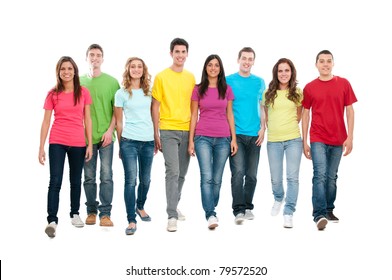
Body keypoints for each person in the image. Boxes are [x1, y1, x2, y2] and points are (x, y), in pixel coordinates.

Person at [302, 50, 357, 230]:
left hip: (338, 138)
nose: (325, 64)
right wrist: (304, 141)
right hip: (318, 137)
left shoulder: (343, 83)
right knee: (320, 175)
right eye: (321, 61)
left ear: (333, 63)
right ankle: (318, 215)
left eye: (328, 61)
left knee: (332, 177)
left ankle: (328, 209)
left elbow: (350, 111)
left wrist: (350, 137)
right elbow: (305, 113)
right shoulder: (310, 87)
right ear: (316, 64)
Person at [39, 56, 93, 238]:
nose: (66, 72)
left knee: (76, 180)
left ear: (75, 71)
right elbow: (46, 121)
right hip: (57, 141)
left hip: (78, 142)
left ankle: (75, 213)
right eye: (63, 69)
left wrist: (90, 144)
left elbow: (88, 119)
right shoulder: (52, 93)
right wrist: (41, 147)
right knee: (55, 181)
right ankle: (52, 220)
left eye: (70, 68)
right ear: (58, 72)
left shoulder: (83, 92)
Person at [151, 38, 196, 232]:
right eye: (176, 52)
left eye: (183, 52)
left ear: (187, 54)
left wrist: (193, 137)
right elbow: (155, 106)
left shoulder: (191, 78)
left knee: (182, 174)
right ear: (171, 53)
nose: (180, 55)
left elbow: (195, 109)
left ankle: (174, 205)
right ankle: (171, 215)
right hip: (168, 129)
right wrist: (156, 133)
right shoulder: (161, 77)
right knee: (173, 172)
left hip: (187, 130)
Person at [188, 54, 237, 230]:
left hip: (224, 138)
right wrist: (190, 141)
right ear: (205, 68)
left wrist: (234, 139)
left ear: (220, 68)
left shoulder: (227, 89)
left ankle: (211, 205)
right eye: (210, 65)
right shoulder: (198, 89)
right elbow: (194, 115)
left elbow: (230, 115)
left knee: (217, 179)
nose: (213, 68)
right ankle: (210, 213)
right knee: (206, 177)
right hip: (202, 137)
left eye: (216, 65)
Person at [114, 57, 156, 235]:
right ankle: (131, 219)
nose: (136, 69)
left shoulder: (150, 92)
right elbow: (118, 121)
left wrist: (156, 137)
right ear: (128, 70)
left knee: (145, 179)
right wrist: (120, 145)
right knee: (131, 180)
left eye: (139, 67)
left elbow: (155, 116)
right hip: (129, 141)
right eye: (133, 67)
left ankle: (140, 206)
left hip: (148, 141)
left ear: (143, 70)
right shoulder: (121, 93)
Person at [80, 44, 120, 227]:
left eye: (98, 55)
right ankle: (91, 211)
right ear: (86, 58)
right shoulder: (78, 82)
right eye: (91, 55)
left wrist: (109, 131)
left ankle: (105, 213)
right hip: (84, 138)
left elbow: (116, 111)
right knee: (88, 177)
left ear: (103, 59)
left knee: (106, 175)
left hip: (106, 138)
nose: (95, 58)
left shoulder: (112, 82)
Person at [226, 47, 266, 224]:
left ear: (253, 61)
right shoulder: (229, 81)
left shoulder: (259, 82)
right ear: (238, 59)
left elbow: (263, 106)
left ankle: (248, 206)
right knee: (238, 172)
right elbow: (227, 109)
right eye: (244, 58)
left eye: (250, 59)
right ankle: (238, 210)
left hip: (254, 135)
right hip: (237, 135)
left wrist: (263, 128)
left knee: (252, 174)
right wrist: (232, 136)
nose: (247, 62)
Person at [262, 58, 303, 228]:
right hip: (274, 141)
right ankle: (279, 198)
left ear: (291, 72)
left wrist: (288, 127)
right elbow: (265, 115)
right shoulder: (268, 93)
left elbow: (299, 115)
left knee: (292, 177)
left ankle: (289, 211)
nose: (284, 74)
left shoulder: (298, 92)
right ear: (276, 73)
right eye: (280, 71)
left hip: (293, 139)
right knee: (276, 179)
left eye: (287, 70)